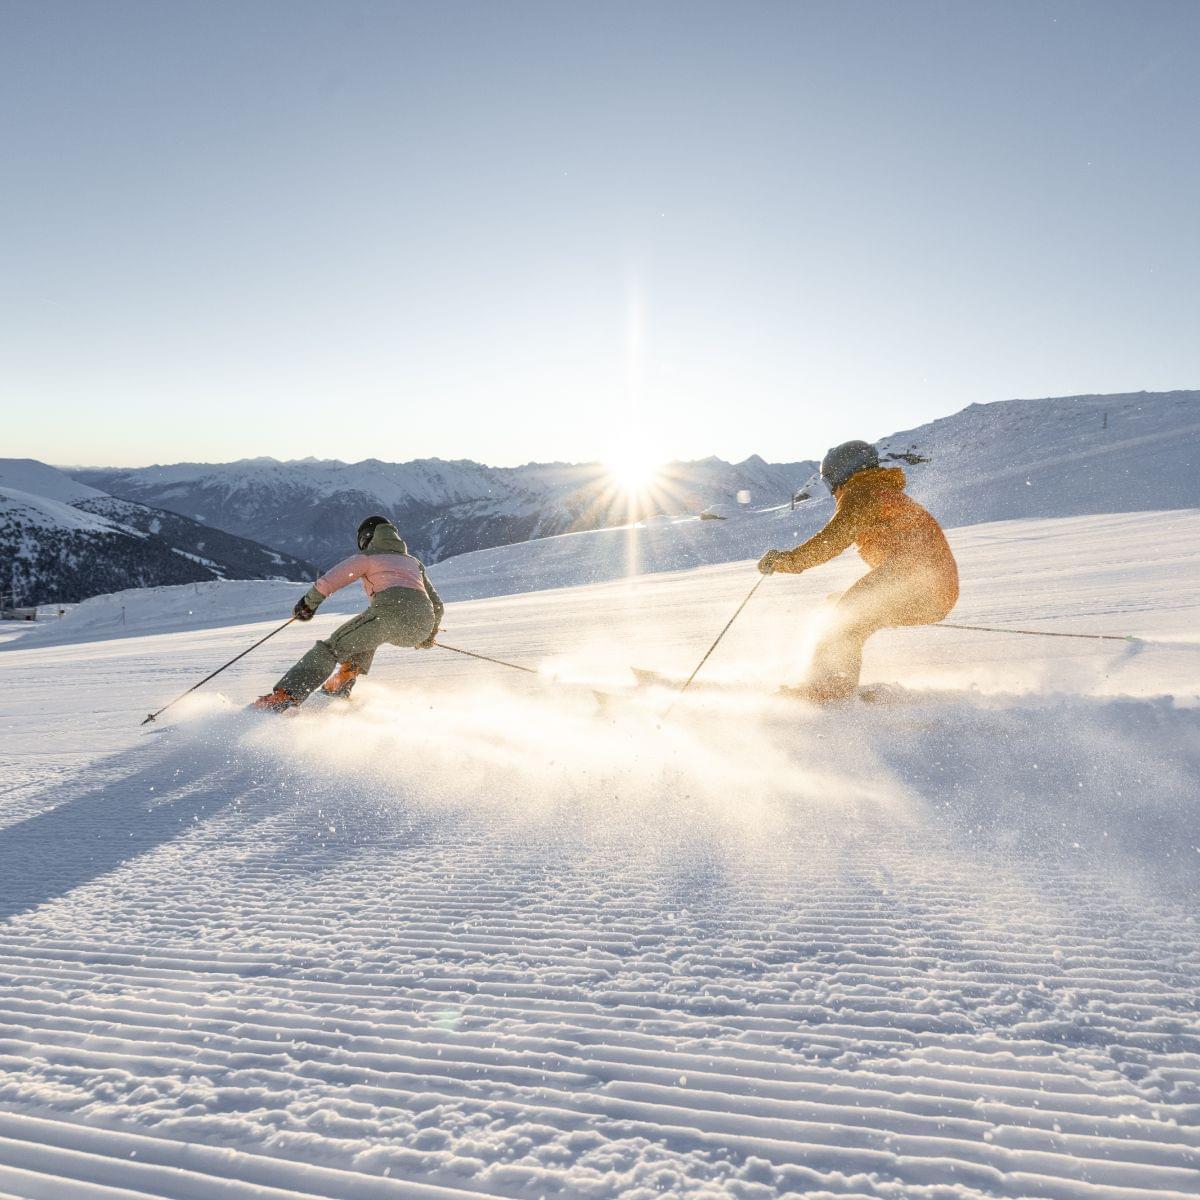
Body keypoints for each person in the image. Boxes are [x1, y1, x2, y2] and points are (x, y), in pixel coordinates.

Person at [758, 440, 958, 703]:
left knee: (845, 618)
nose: (832, 490)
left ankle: (828, 692)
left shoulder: (863, 492)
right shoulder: (880, 491)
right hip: (930, 588)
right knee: (836, 606)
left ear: (843, 472)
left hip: (914, 578)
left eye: (830, 480)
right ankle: (824, 681)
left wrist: (784, 561)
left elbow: (829, 542)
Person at [253, 516, 444, 712]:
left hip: (387, 615)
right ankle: (341, 681)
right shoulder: (413, 562)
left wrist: (307, 605)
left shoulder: (367, 558)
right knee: (366, 637)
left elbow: (330, 581)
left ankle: (286, 696)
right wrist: (428, 634)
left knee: (329, 649)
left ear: (366, 538)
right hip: (421, 625)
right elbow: (437, 605)